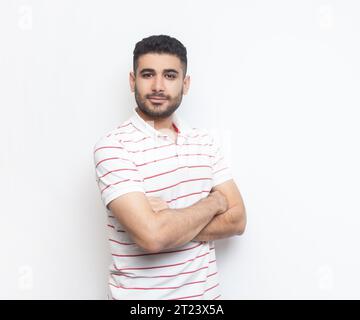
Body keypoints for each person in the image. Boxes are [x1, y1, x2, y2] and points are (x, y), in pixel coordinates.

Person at [93, 35, 246, 300]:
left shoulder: (204, 142)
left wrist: (167, 221)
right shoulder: (113, 147)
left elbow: (238, 220)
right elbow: (152, 237)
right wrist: (215, 202)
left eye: (170, 75)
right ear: (132, 81)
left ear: (185, 84)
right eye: (148, 74)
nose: (158, 86)